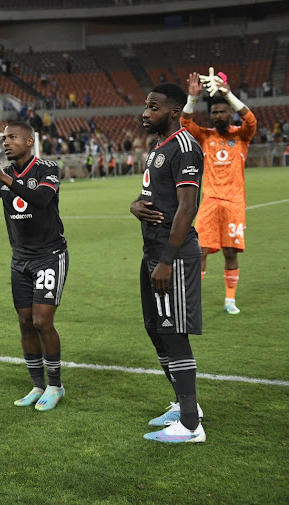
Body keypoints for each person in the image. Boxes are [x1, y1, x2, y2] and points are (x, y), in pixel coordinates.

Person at [0, 122, 68, 413]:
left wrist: (4, 178)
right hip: (20, 259)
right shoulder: (0, 175)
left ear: (29, 141)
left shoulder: (47, 168)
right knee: (24, 322)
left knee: (42, 321)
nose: (6, 142)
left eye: (12, 137)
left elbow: (42, 200)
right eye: (4, 138)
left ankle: (55, 385)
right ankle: (37, 385)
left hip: (49, 255)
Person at [130, 82, 205, 443]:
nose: (146, 113)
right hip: (153, 253)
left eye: (154, 107)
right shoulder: (160, 146)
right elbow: (153, 196)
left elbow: (188, 207)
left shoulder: (185, 147)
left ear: (174, 111)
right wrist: (134, 206)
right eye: (146, 107)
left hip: (170, 256)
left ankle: (191, 426)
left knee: (174, 333)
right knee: (157, 329)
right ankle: (182, 405)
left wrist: (167, 260)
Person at [181, 71, 257, 315]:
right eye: (214, 112)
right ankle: (193, 301)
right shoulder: (205, 136)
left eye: (223, 111)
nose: (218, 115)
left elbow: (252, 121)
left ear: (229, 113)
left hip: (234, 203)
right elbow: (184, 124)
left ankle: (230, 300)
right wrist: (192, 98)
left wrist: (228, 94)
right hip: (210, 202)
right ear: (211, 116)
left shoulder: (241, 136)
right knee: (199, 251)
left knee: (230, 252)